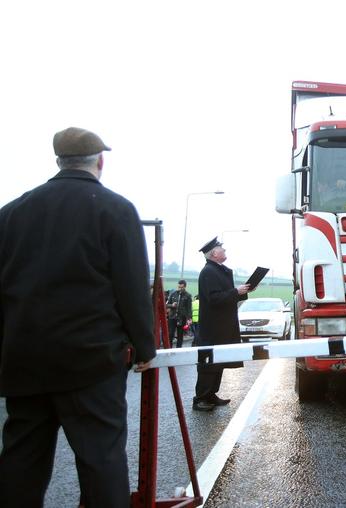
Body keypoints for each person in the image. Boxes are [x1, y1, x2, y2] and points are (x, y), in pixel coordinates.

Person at [0, 127, 156, 507]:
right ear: (99, 161)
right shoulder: (116, 209)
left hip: (23, 358)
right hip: (91, 360)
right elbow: (132, 287)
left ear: (59, 161)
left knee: (21, 459)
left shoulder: (11, 213)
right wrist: (144, 345)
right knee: (101, 459)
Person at [192, 237, 251, 411]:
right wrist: (235, 291)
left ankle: (210, 394)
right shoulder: (209, 272)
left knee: (218, 361)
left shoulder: (217, 270)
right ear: (214, 254)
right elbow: (214, 298)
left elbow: (226, 295)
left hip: (221, 325)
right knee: (209, 363)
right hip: (213, 327)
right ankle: (200, 398)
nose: (224, 251)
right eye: (221, 249)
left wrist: (242, 291)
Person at [166, 279, 192, 348]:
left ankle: (178, 349)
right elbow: (166, 305)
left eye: (181, 287)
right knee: (170, 334)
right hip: (172, 317)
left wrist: (189, 318)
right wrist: (172, 305)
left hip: (182, 318)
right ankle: (169, 349)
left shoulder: (188, 296)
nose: (180, 289)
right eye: (179, 287)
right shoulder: (173, 294)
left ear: (185, 287)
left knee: (180, 336)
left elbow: (189, 308)